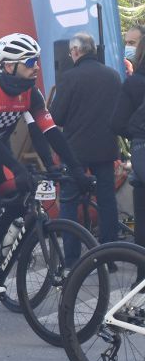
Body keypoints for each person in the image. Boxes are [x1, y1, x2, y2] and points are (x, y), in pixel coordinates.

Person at [0, 33, 91, 298]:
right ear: (9, 66)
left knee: (22, 192)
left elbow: (50, 132)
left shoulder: (30, 93)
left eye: (36, 60)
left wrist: (75, 169)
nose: (36, 66)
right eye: (30, 61)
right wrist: (18, 166)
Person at [51, 33, 122, 259]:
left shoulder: (69, 78)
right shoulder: (112, 75)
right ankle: (110, 254)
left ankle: (72, 259)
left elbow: (57, 117)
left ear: (75, 52)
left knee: (69, 202)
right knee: (107, 200)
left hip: (75, 153)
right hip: (106, 148)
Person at [112, 30, 145, 248]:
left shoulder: (134, 83)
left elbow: (117, 123)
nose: (128, 47)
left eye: (132, 43)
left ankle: (141, 274)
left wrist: (136, 135)